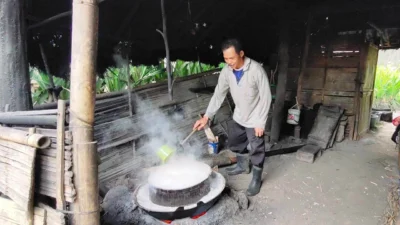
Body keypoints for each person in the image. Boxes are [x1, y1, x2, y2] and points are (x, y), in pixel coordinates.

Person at [193, 38, 272, 196]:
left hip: (255, 118)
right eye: (225, 59)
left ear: (241, 54)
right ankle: (242, 165)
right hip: (239, 115)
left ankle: (256, 179)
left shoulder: (256, 70)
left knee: (256, 148)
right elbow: (218, 95)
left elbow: (266, 97)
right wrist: (207, 117)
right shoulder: (226, 71)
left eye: (232, 58)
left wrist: (260, 122)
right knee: (235, 142)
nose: (228, 62)